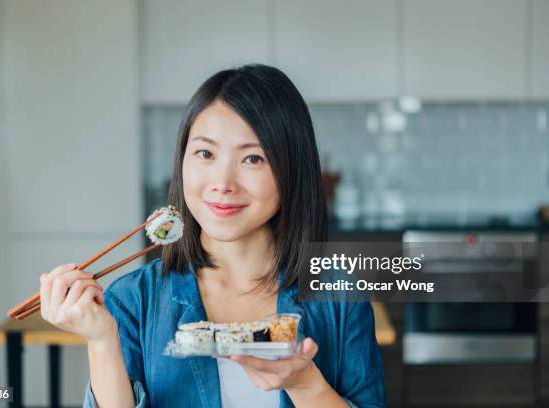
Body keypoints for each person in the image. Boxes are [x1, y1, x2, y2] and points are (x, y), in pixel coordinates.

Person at [39, 64, 385, 408]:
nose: (223, 183)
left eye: (253, 158)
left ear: (291, 169)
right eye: (205, 154)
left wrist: (305, 385)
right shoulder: (131, 301)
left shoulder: (339, 298)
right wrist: (100, 341)